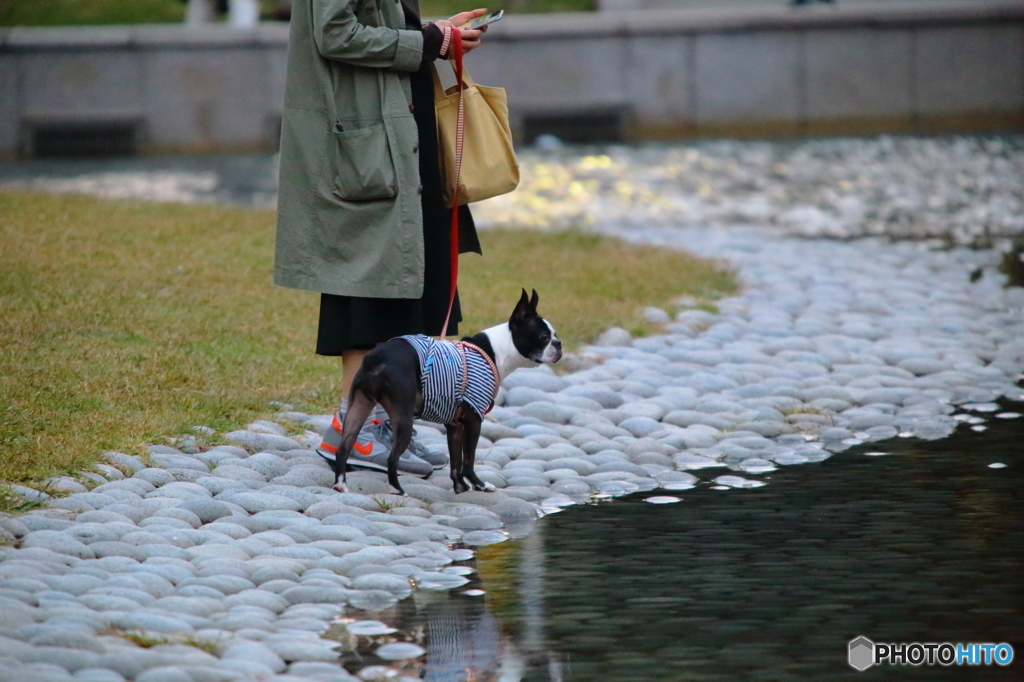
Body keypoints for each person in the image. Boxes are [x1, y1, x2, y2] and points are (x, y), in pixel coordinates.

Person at [273, 0, 490, 477]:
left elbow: (370, 20)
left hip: (396, 122)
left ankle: (382, 425)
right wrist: (428, 42)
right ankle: (356, 431)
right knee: (371, 278)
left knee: (408, 272)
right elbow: (334, 32)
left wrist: (429, 32)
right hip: (369, 134)